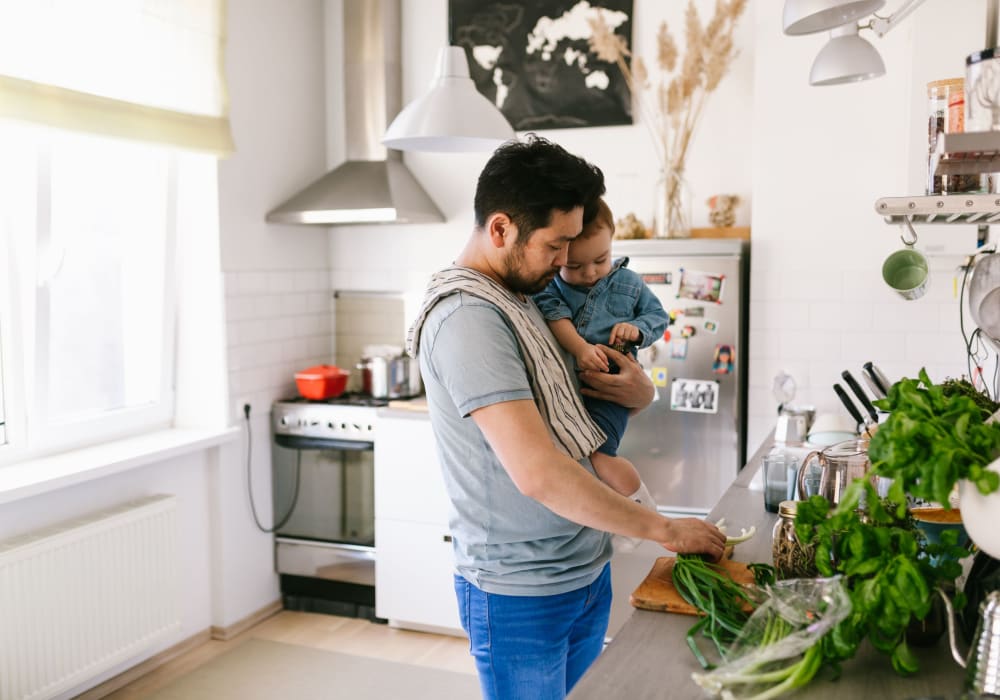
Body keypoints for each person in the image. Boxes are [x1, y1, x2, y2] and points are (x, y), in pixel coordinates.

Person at [407, 135, 726, 700]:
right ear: (501, 229)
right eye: (555, 245)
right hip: (520, 591)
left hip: (582, 566)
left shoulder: (524, 293)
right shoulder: (466, 317)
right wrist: (665, 530)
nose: (565, 263)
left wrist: (638, 393)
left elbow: (581, 407)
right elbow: (539, 472)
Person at [533, 197, 667, 547]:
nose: (590, 273)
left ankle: (644, 513)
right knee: (572, 460)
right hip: (572, 390)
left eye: (600, 260)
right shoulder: (552, 286)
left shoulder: (630, 283)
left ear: (612, 243)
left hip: (612, 388)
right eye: (575, 266)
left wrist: (636, 330)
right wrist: (579, 349)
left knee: (601, 457)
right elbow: (554, 317)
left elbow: (658, 318)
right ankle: (610, 524)